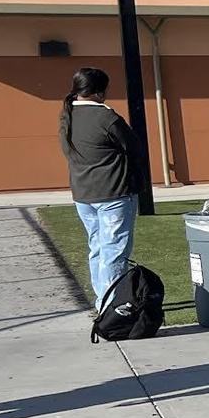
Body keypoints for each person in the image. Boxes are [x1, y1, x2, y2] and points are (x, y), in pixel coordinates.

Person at [58, 67, 141, 302]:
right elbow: (133, 147)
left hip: (83, 193)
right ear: (99, 91)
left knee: (97, 247)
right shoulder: (106, 116)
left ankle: (102, 298)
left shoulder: (68, 115)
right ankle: (112, 304)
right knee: (114, 251)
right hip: (113, 192)